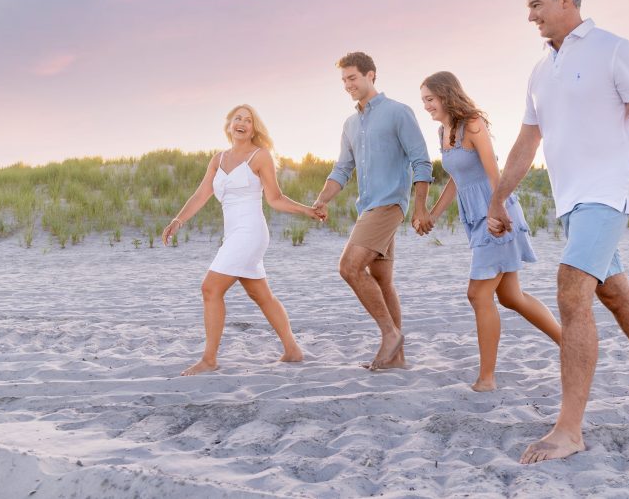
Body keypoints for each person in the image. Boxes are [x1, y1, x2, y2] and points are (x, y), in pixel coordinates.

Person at [487, 0, 629, 464]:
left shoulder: (614, 49)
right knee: (616, 295)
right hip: (570, 202)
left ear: (565, 0)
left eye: (536, 5)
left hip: (606, 195)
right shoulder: (540, 70)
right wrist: (498, 199)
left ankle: (570, 429)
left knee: (571, 287)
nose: (530, 16)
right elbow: (526, 142)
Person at [419, 71, 561, 392]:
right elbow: (457, 177)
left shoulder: (472, 124)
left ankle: (487, 378)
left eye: (430, 99)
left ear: (446, 95)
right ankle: (570, 344)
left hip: (496, 212)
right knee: (511, 296)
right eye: (424, 101)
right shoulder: (444, 131)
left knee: (478, 293)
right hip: (477, 216)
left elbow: (494, 172)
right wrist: (433, 214)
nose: (426, 106)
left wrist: (497, 210)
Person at [162, 104, 323, 376]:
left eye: (248, 121)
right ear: (228, 125)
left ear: (253, 128)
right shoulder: (218, 158)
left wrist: (306, 210)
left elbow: (275, 198)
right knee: (261, 295)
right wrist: (178, 220)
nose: (242, 123)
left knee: (210, 289)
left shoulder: (260, 157)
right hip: (232, 233)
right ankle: (292, 350)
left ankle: (209, 359)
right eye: (238, 118)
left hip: (251, 232)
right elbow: (201, 195)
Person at [312, 52, 433, 370]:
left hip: (390, 204)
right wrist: (323, 198)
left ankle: (390, 335)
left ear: (371, 75)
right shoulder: (350, 124)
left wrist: (420, 207)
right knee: (381, 280)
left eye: (352, 78)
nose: (348, 85)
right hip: (367, 207)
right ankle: (397, 358)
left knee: (349, 267)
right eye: (343, 80)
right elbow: (342, 169)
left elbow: (421, 161)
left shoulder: (398, 112)